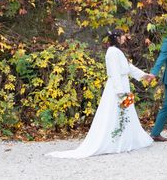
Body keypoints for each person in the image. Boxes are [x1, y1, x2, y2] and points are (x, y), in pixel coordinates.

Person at [46, 29, 153, 158]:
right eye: (123, 36)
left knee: (125, 112)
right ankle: (114, 140)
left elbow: (128, 67)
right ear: (117, 38)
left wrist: (143, 75)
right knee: (115, 112)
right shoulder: (112, 52)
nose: (125, 38)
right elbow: (114, 73)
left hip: (123, 84)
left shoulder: (118, 51)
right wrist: (120, 92)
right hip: (117, 87)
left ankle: (125, 139)